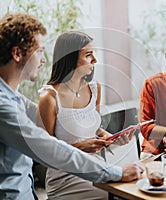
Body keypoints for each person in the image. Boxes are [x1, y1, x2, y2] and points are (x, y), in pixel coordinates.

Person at [0, 13, 143, 199]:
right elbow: (50, 150)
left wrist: (108, 137)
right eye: (40, 51)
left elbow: (50, 119)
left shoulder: (6, 94)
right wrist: (117, 172)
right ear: (17, 54)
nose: (43, 60)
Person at [36, 31, 134, 199]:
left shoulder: (94, 88)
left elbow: (95, 130)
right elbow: (43, 154)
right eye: (88, 55)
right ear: (70, 58)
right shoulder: (49, 97)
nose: (95, 60)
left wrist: (112, 138)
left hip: (94, 168)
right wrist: (81, 147)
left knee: (133, 187)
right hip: (65, 178)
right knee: (120, 194)